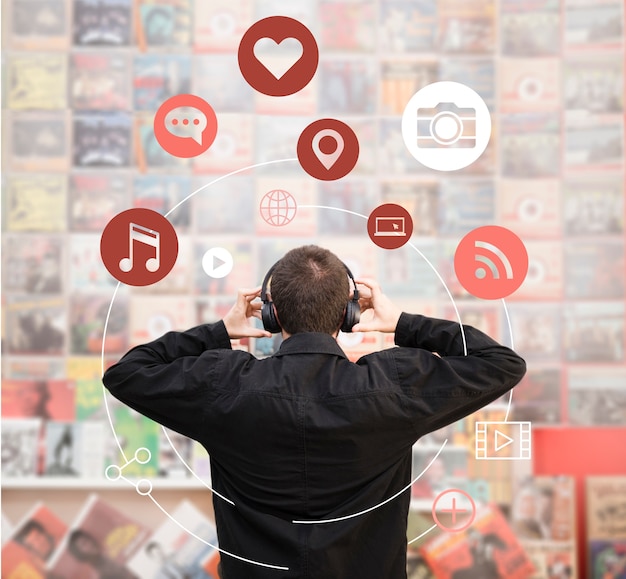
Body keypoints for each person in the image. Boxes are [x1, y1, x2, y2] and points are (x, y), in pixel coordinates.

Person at [103, 245, 526, 579]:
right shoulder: (391, 387)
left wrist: (218, 331)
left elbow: (127, 373)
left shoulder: (225, 385)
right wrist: (403, 324)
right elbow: (502, 363)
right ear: (348, 313)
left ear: (270, 313)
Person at [67, 529, 138, 579]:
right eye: (84, 544)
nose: (90, 543)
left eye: (88, 539)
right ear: (80, 554)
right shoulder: (97, 575)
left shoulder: (110, 552)